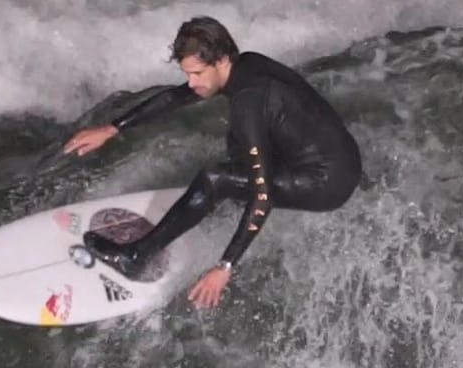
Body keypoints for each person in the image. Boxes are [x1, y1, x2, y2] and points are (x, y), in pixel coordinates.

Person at [62, 16, 362, 308]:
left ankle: (136, 257)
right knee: (238, 146)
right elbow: (175, 97)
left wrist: (225, 266)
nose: (191, 83)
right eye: (187, 74)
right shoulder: (246, 64)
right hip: (342, 154)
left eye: (197, 74)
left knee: (215, 178)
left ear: (220, 60)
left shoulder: (248, 101)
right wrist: (112, 128)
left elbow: (263, 193)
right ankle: (224, 199)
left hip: (326, 182)